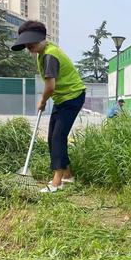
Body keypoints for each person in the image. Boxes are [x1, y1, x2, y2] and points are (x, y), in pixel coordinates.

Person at [11, 21, 86, 193]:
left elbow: (50, 86)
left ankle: (57, 182)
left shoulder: (49, 55)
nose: (29, 48)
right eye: (27, 46)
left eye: (31, 44)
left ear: (41, 39)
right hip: (62, 98)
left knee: (57, 137)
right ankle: (67, 175)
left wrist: (42, 101)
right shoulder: (42, 51)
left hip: (72, 97)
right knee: (53, 136)